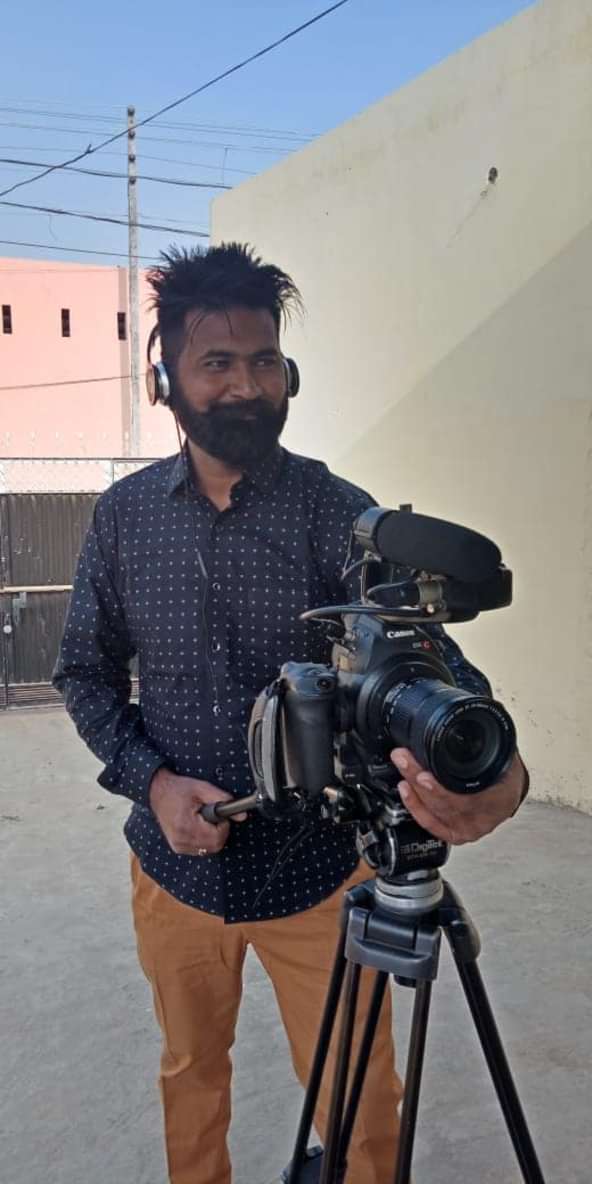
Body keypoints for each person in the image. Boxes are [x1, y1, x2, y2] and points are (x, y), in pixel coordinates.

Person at [54, 243, 529, 1184]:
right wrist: (154, 784)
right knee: (191, 1077)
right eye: (216, 362)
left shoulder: (339, 515)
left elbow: (429, 661)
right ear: (166, 382)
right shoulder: (123, 519)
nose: (245, 384)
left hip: (319, 878)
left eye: (264, 360)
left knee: (364, 1109)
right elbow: (84, 674)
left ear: (289, 374)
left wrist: (498, 772)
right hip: (173, 879)